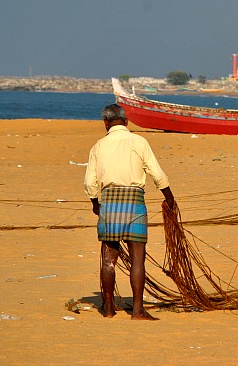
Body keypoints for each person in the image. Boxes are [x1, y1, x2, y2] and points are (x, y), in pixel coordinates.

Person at [84, 104, 175, 320]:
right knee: (137, 259)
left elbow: (90, 183)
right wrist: (169, 198)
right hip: (134, 203)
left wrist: (96, 203)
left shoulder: (99, 146)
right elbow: (156, 173)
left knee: (108, 259)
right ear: (126, 122)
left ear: (105, 123)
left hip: (109, 203)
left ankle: (108, 309)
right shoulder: (139, 142)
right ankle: (137, 311)